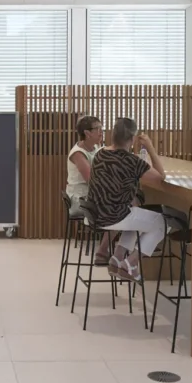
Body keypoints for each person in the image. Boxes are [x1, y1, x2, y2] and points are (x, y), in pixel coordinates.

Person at [84, 117, 167, 282]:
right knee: (162, 223)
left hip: (95, 214)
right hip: (115, 216)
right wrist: (150, 147)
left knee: (135, 217)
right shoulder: (132, 161)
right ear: (132, 138)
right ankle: (131, 263)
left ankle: (117, 258)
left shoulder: (100, 154)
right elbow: (160, 177)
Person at [66, 115, 103, 213]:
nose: (101, 132)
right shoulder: (78, 153)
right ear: (87, 133)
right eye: (97, 129)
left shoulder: (96, 147)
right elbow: (91, 180)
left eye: (101, 128)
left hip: (91, 195)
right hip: (80, 198)